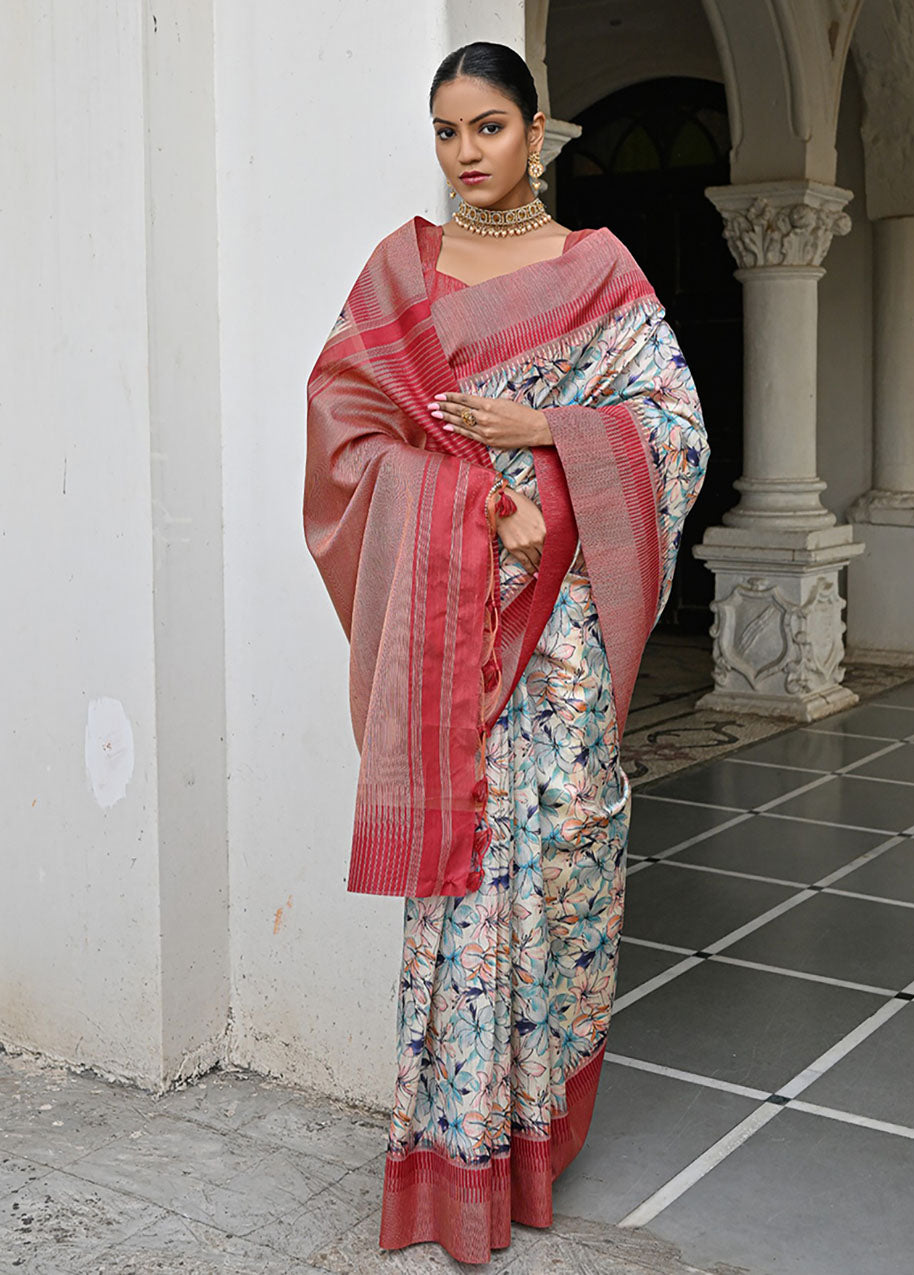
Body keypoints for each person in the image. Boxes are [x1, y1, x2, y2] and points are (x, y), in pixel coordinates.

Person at [303, 40, 709, 1267]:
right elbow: (343, 446)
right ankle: (452, 1159)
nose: (466, 153)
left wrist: (548, 432)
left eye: (488, 127)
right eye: (446, 131)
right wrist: (477, 509)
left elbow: (674, 434)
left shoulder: (600, 274)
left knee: (569, 849)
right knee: (465, 879)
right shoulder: (400, 277)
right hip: (454, 637)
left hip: (565, 629)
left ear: (538, 132)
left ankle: (532, 1141)